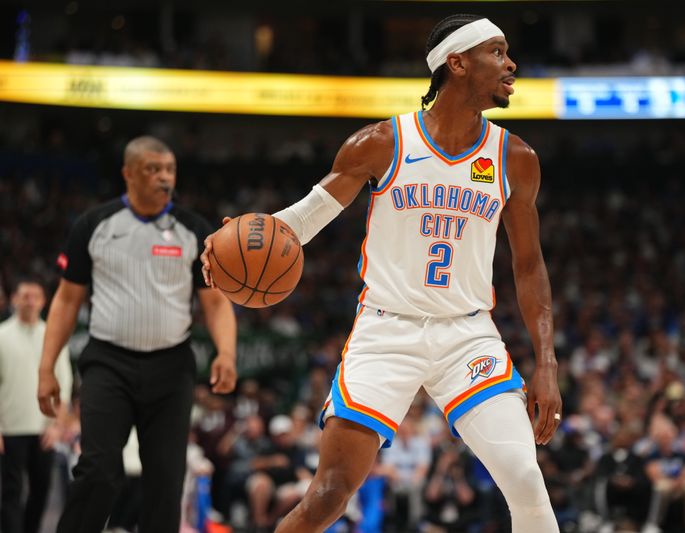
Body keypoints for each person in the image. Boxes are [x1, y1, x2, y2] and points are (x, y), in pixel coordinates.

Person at [203, 14, 561, 532]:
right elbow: (303, 220)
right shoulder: (382, 142)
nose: (511, 63)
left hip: (467, 335)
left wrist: (546, 364)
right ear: (457, 63)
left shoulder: (515, 158)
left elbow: (529, 267)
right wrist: (235, 238)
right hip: (385, 330)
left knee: (526, 479)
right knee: (328, 495)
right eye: (498, 52)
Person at [37, 136, 238, 533]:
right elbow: (65, 300)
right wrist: (47, 369)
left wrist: (226, 353)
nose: (164, 177)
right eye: (153, 169)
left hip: (171, 367)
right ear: (128, 173)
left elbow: (215, 303)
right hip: (108, 364)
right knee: (97, 471)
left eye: (169, 170)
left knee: (165, 479)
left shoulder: (193, 230)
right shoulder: (94, 225)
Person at [0, 279, 72, 533]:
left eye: (35, 296)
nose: (30, 301)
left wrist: (57, 425)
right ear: (14, 300)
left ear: (44, 302)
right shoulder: (1, 336)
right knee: (9, 491)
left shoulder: (53, 335)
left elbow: (65, 382)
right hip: (10, 429)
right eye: (24, 296)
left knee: (41, 490)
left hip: (44, 428)